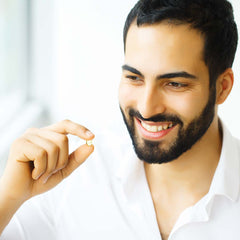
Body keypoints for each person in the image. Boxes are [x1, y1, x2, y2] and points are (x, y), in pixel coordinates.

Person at [0, 0, 239, 239]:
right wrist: (8, 197)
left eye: (175, 84)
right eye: (135, 78)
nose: (146, 108)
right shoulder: (71, 176)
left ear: (222, 87)